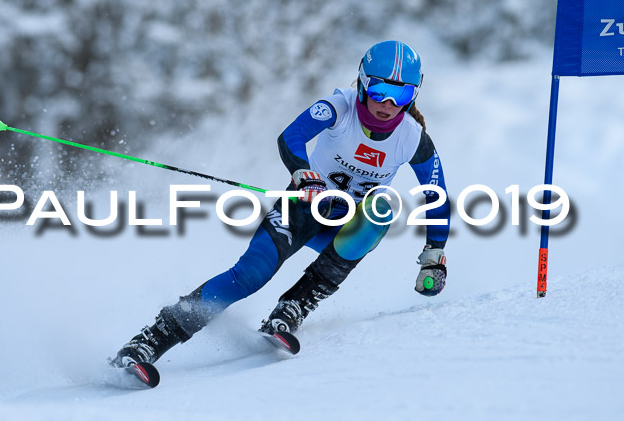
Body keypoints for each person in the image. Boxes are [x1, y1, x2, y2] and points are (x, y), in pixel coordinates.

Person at [110, 40, 450, 368]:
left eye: (400, 94)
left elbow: (436, 192)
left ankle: (293, 307)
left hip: (344, 227)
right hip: (301, 209)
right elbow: (291, 136)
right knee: (250, 276)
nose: (387, 103)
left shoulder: (412, 137)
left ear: (413, 95)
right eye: (379, 90)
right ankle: (149, 341)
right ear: (362, 83)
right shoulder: (339, 107)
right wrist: (304, 174)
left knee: (382, 207)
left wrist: (434, 254)